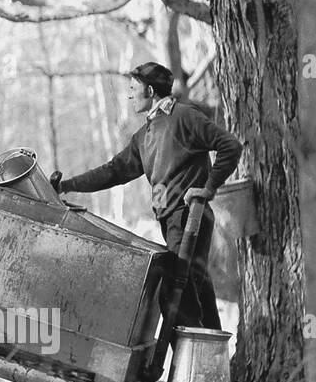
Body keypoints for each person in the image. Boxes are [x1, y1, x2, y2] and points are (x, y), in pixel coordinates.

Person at [49, 62, 242, 330]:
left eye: (132, 88)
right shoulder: (144, 135)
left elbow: (230, 145)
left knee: (176, 297)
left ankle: (191, 369)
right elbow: (113, 171)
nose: (128, 95)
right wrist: (67, 185)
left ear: (150, 90)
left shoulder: (184, 116)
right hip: (172, 223)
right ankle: (214, 366)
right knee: (196, 294)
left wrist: (208, 188)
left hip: (189, 219)